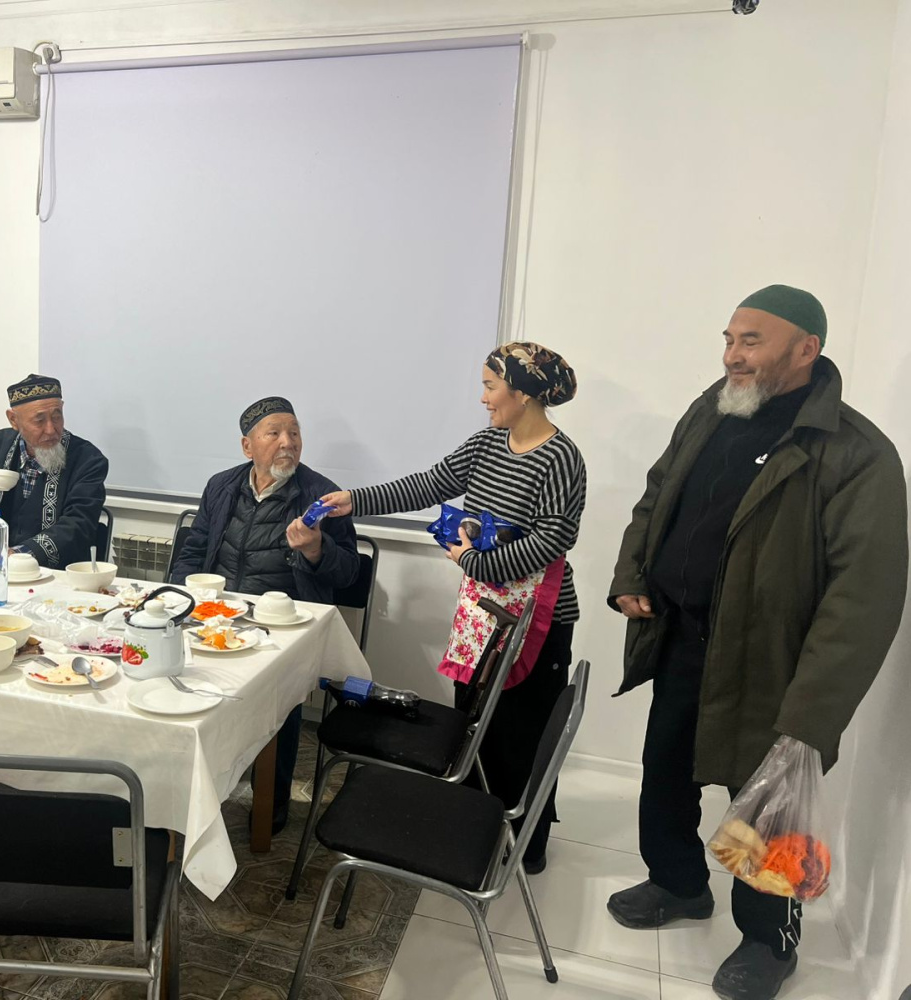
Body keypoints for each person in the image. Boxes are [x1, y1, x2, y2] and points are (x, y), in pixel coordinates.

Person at [606, 285, 907, 1000]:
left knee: (768, 811)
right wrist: (632, 573)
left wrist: (812, 711)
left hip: (774, 667)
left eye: (750, 341)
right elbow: (657, 494)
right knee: (666, 773)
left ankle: (768, 942)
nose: (731, 356)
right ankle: (677, 883)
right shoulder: (713, 408)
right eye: (729, 339)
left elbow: (862, 598)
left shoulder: (855, 453)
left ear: (806, 349)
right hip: (681, 637)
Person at [322, 342, 585, 874]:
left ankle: (525, 844)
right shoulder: (487, 443)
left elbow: (554, 539)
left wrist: (474, 561)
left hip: (538, 620)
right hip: (484, 613)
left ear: (523, 392)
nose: (483, 398)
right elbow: (430, 483)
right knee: (474, 725)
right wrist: (356, 500)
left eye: (491, 386)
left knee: (521, 735)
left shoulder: (561, 458)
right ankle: (474, 834)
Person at [169, 396, 359, 832]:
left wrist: (317, 549)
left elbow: (348, 572)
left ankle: (269, 807)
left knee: (278, 697)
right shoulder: (221, 486)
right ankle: (193, 793)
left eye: (294, 433)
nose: (288, 442)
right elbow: (194, 548)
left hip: (282, 625)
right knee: (181, 682)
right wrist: (184, 595)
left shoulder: (320, 495)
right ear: (247, 446)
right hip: (215, 614)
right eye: (274, 433)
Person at [0, 374, 108, 569]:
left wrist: (18, 555)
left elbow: (79, 525)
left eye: (57, 416)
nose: (51, 429)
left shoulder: (88, 459)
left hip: (57, 572)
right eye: (39, 421)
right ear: (13, 420)